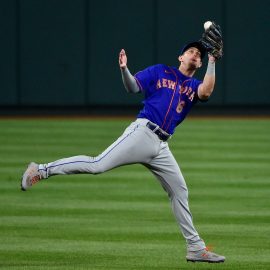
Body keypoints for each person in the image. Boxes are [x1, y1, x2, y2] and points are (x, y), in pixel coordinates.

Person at [21, 41, 225, 263]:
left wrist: (213, 61)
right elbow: (132, 87)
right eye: (191, 51)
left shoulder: (194, 85)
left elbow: (206, 92)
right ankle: (40, 170)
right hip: (142, 133)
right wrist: (124, 70)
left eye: (199, 55)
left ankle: (195, 248)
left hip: (162, 146)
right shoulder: (160, 71)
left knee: (179, 191)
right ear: (180, 57)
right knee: (97, 164)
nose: (195, 55)